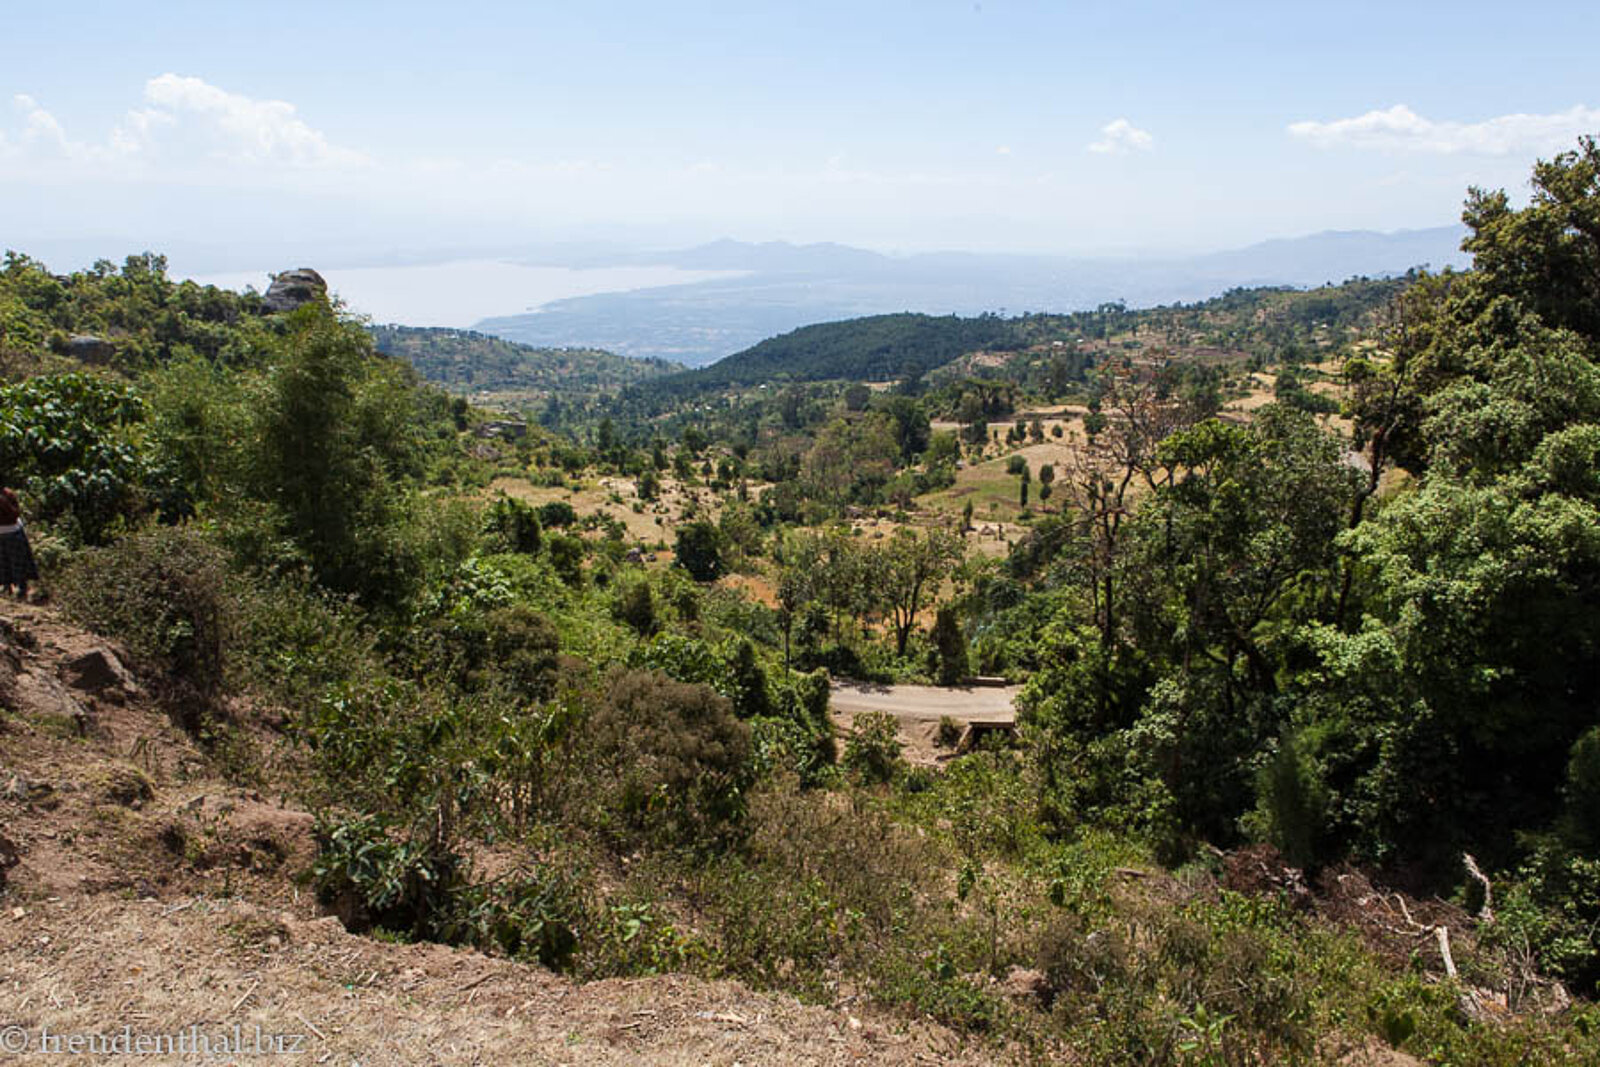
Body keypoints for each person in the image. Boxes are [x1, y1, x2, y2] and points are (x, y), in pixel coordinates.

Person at [0, 487, 39, 601]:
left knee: (17, 561)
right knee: (2, 562)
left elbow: (15, 514)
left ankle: (21, 588)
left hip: (12, 531)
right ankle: (6, 586)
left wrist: (3, 503)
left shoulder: (7, 494)